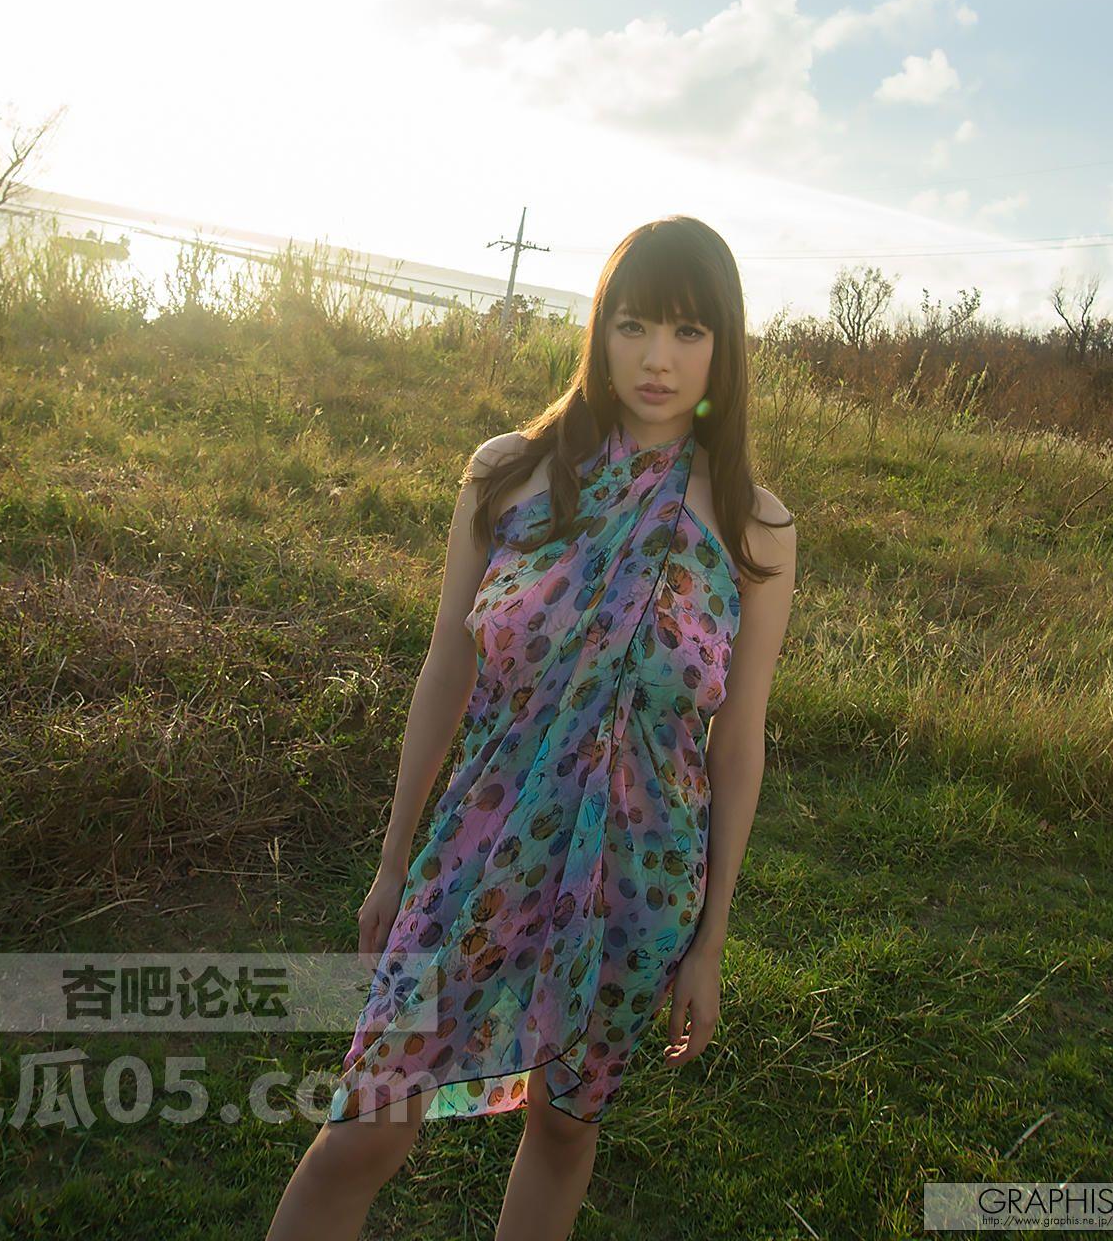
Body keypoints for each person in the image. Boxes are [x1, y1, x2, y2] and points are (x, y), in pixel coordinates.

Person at [264, 215, 796, 1241]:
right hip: (476, 852)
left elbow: (738, 742)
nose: (656, 359)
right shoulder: (510, 474)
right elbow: (446, 667)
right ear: (599, 331)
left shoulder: (751, 527)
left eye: (687, 332)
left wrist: (711, 940)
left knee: (561, 1131)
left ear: (722, 348)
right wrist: (393, 860)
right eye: (633, 325)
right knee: (363, 1131)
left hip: (639, 879)